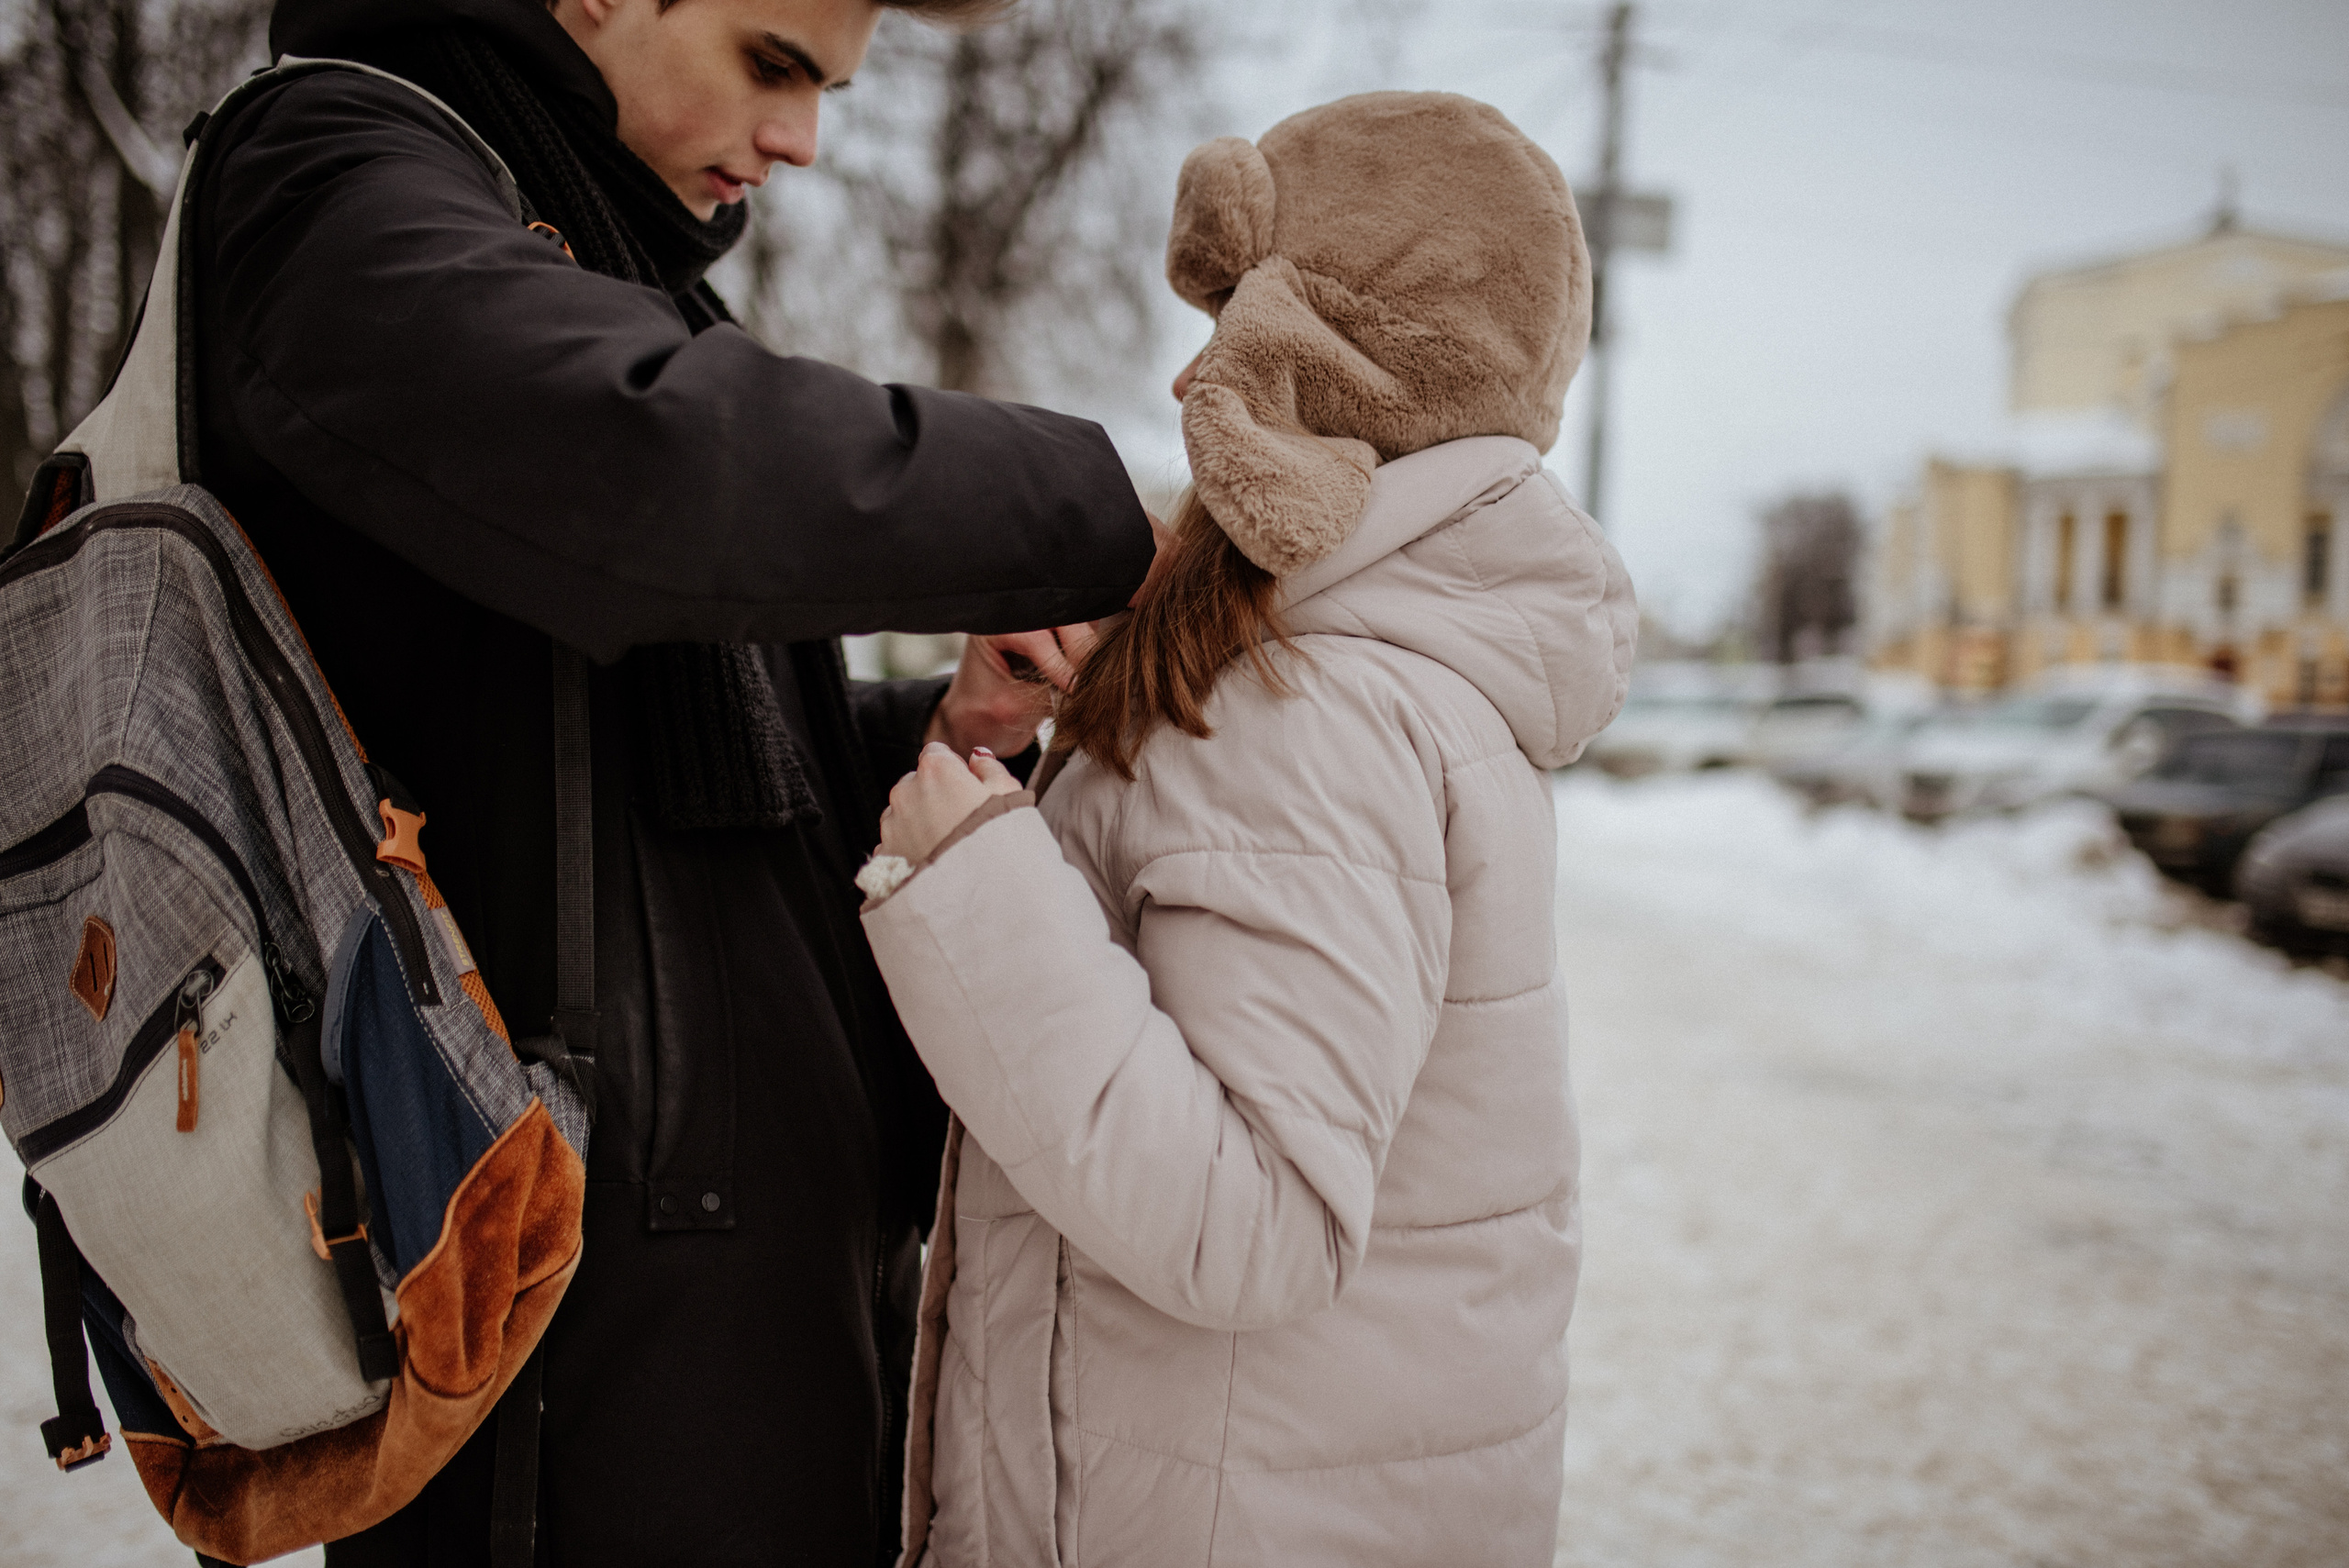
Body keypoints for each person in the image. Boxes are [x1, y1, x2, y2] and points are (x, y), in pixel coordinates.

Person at [189, 0, 1159, 1562]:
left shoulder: (586, 242)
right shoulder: (336, 176)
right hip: (578, 1374)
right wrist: (1093, 508)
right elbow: (649, 465)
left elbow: (692, 792)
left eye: (831, 89)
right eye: (773, 63)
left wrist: (942, 728)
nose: (804, 140)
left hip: (743, 1316)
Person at [855, 93, 1639, 1565]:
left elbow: (1258, 1221)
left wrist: (977, 884)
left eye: (1231, 318)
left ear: (1341, 350)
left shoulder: (1316, 703)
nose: (1186, 375)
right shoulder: (1392, 667)